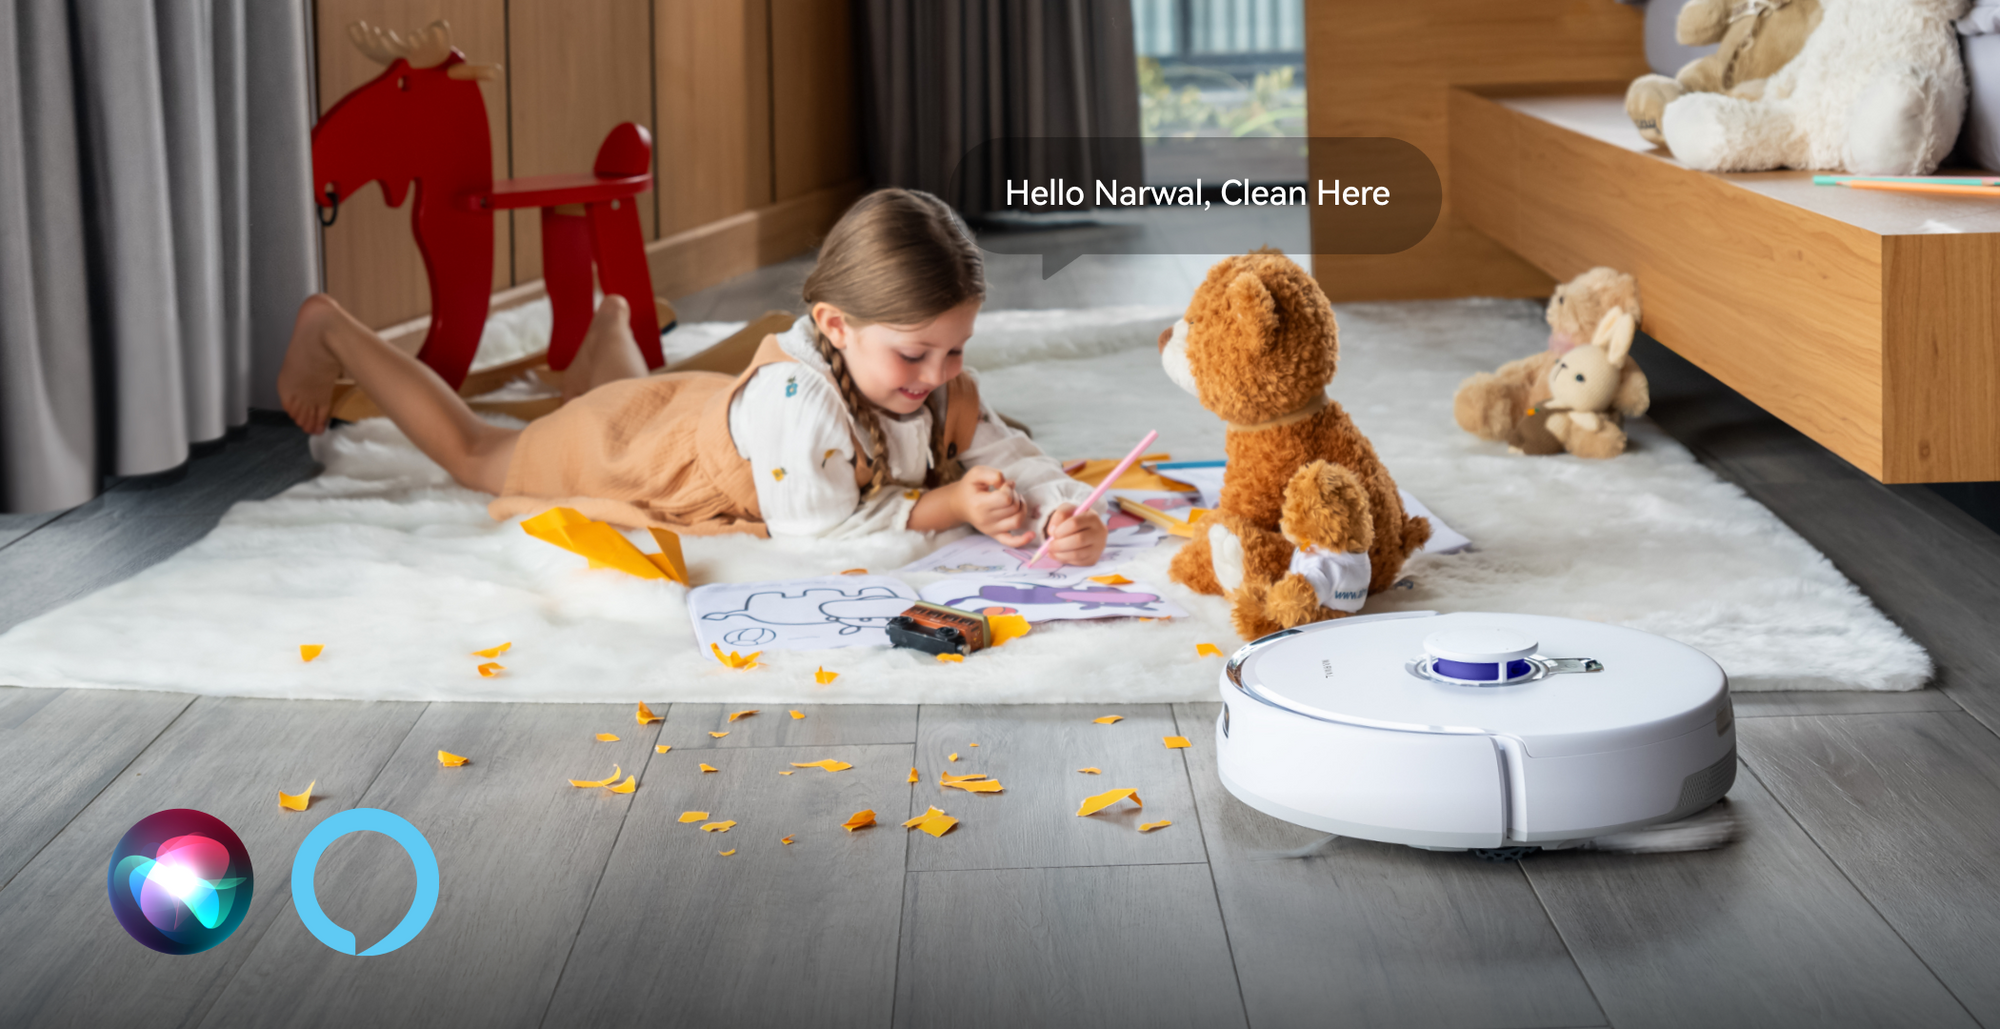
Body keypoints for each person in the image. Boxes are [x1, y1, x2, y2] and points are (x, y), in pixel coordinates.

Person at [276, 187, 1108, 565]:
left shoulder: (928, 377)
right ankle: (336, 329)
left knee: (621, 394)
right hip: (632, 448)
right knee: (475, 450)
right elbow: (816, 535)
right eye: (915, 354)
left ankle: (607, 332)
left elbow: (1001, 443)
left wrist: (1058, 509)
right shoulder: (801, 402)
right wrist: (952, 503)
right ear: (835, 326)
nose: (939, 374)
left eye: (955, 348)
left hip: (678, 410)